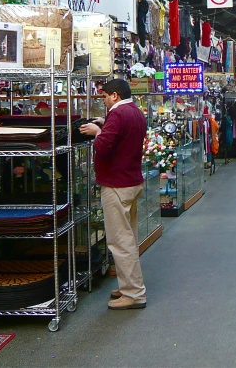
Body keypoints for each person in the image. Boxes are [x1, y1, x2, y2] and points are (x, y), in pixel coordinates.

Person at [79, 79, 148, 310]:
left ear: (115, 96)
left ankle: (134, 293)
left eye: (105, 96)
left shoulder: (118, 115)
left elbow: (104, 146)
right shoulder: (134, 111)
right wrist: (105, 124)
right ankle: (128, 284)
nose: (104, 100)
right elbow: (122, 136)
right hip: (131, 181)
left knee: (120, 241)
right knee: (129, 237)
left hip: (117, 185)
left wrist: (98, 131)